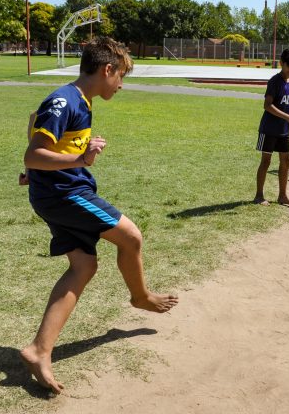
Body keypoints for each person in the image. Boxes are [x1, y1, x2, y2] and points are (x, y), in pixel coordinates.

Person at [20, 36, 178, 394]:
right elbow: (34, 151)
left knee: (84, 267)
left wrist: (37, 172)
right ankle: (140, 296)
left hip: (56, 191)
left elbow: (38, 134)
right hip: (65, 194)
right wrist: (77, 160)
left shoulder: (82, 101)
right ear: (107, 69)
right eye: (121, 75)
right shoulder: (64, 101)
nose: (121, 84)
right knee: (131, 236)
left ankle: (38, 350)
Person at [253, 48, 289, 208]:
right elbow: (267, 106)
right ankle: (259, 196)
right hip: (269, 129)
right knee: (266, 161)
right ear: (281, 63)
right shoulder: (274, 81)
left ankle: (283, 196)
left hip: (283, 130)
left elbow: (287, 107)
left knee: (286, 160)